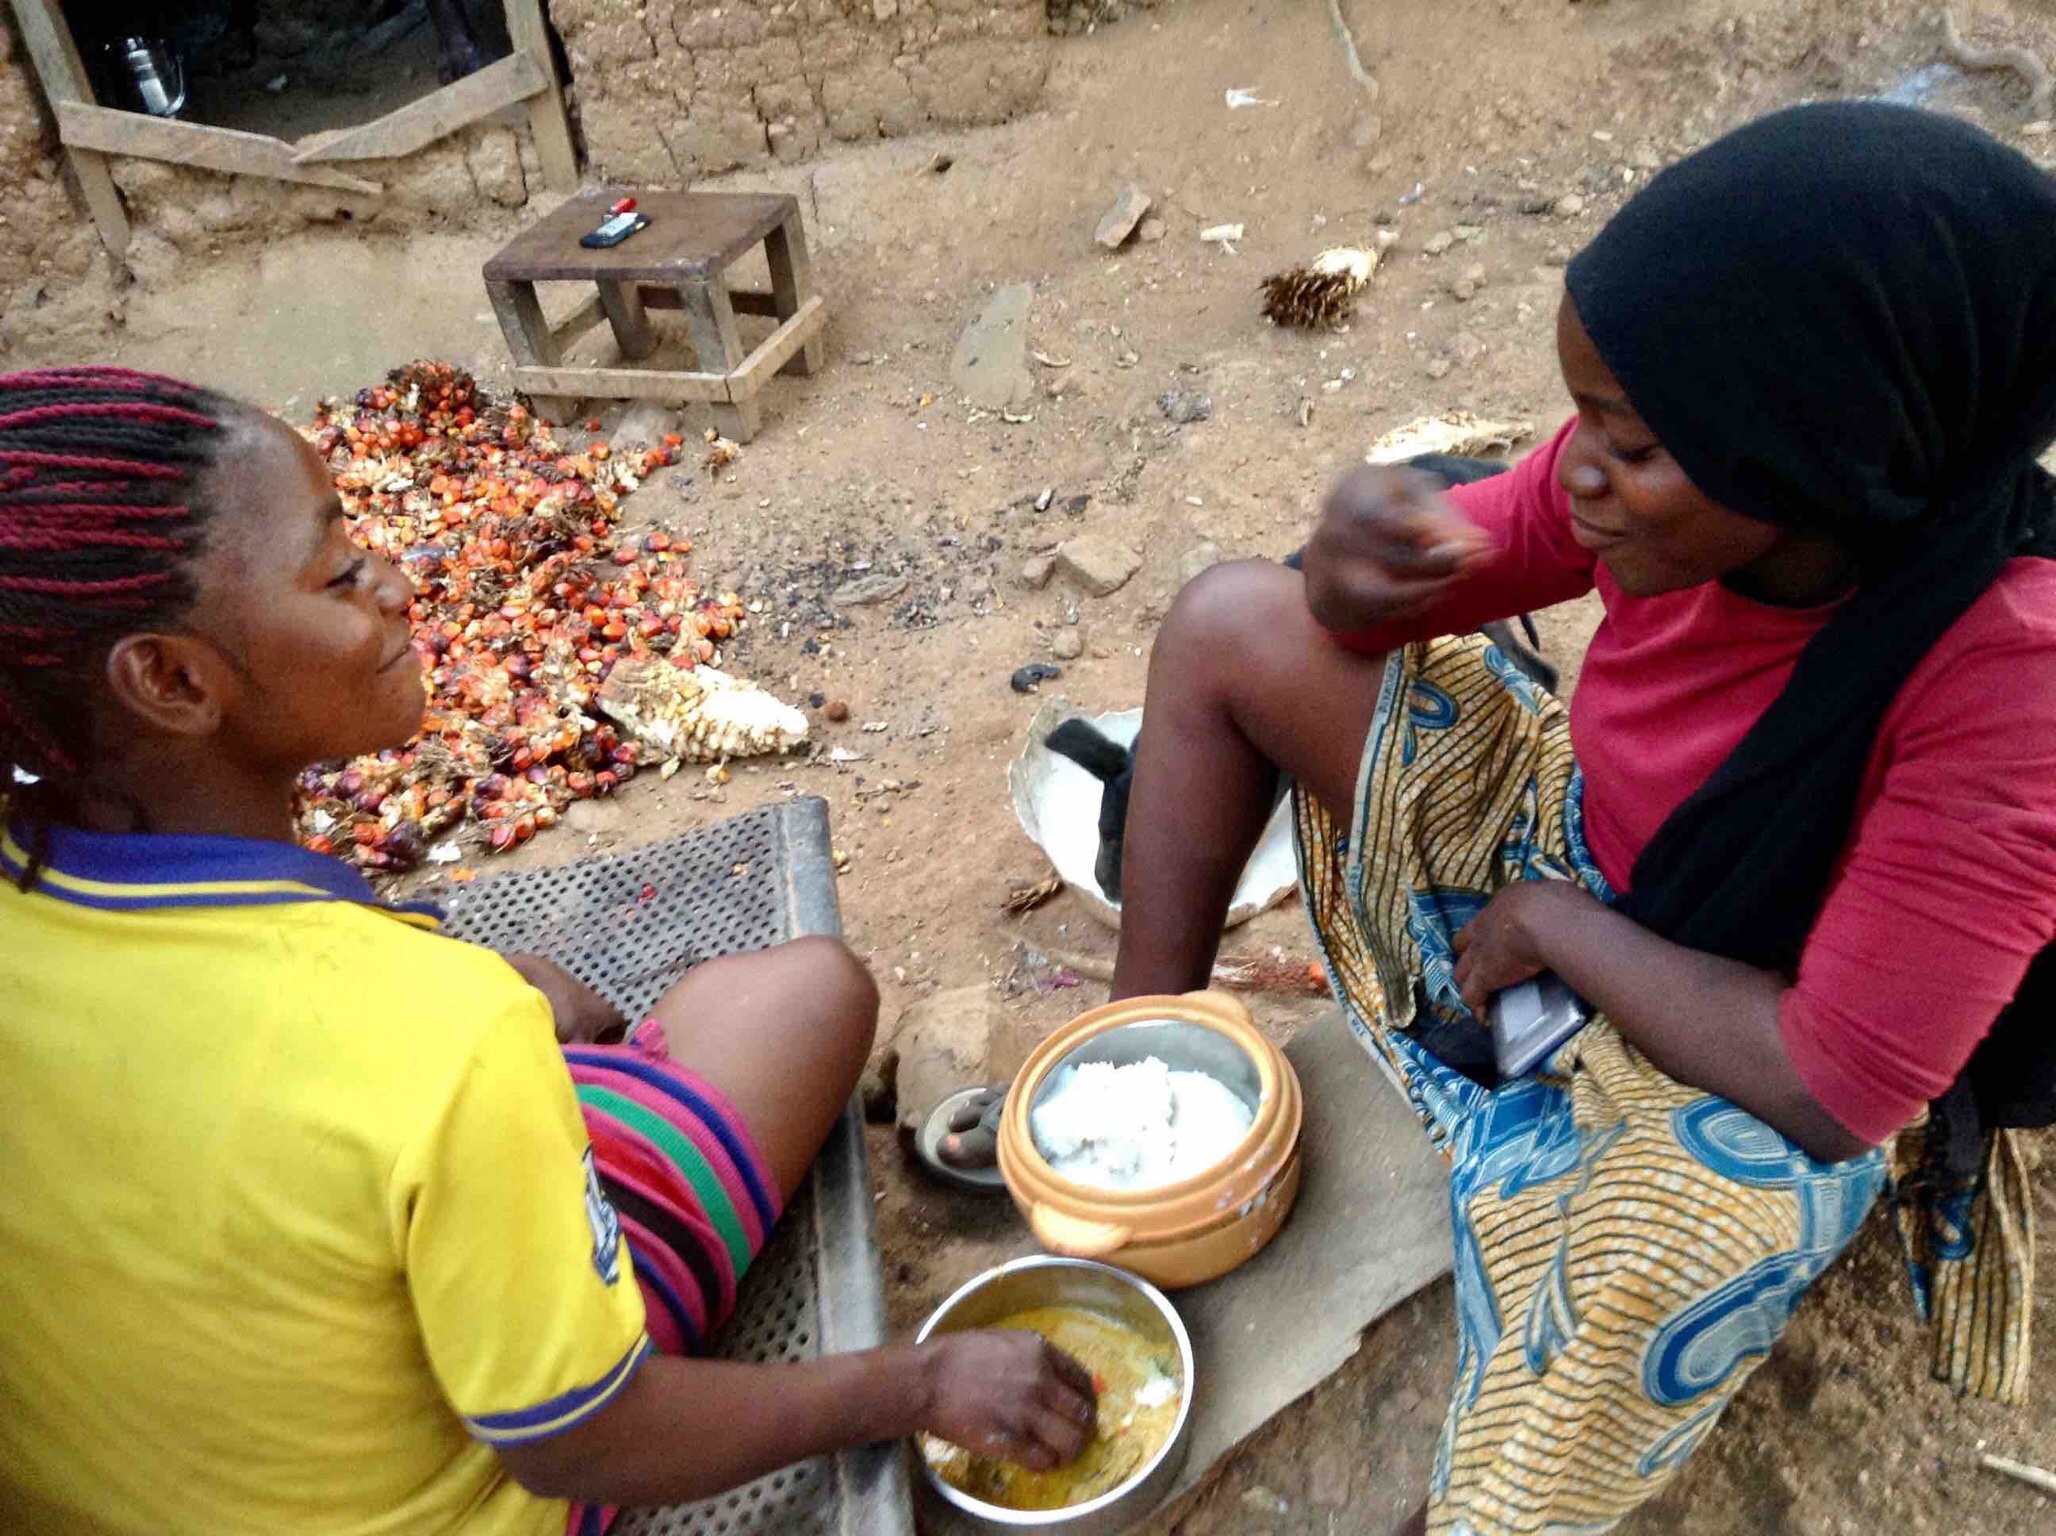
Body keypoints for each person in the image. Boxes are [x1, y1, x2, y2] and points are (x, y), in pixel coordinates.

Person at [1108, 101, 2056, 1535]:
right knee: (1231, 622)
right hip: (1590, 839)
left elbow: (1833, 1080)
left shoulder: (2009, 677)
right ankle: (1135, 1077)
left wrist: (1556, 928)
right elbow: (1448, 570)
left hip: (1758, 1018)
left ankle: (1499, 1501)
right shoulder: (1667, 488)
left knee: (1693, 1235)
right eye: (1589, 422)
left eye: (1634, 441)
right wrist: (1359, 571)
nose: (1582, 469)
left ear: (1826, 450)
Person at [0, 366, 1096, 1535]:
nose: (395, 584)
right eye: (334, 572)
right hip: (477, 1489)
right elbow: (585, 1438)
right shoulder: (438, 1038)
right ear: (171, 679)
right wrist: (916, 1381)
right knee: (807, 997)